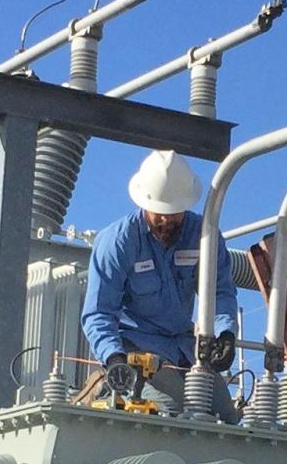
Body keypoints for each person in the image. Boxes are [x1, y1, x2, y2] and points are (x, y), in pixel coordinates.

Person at [81, 150, 239, 414]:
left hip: (186, 349)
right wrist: (114, 358)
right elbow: (98, 312)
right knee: (170, 409)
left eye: (174, 213)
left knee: (225, 415)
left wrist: (225, 333)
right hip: (137, 351)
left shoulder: (204, 236)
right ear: (144, 203)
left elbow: (220, 291)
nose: (166, 220)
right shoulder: (118, 242)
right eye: (160, 213)